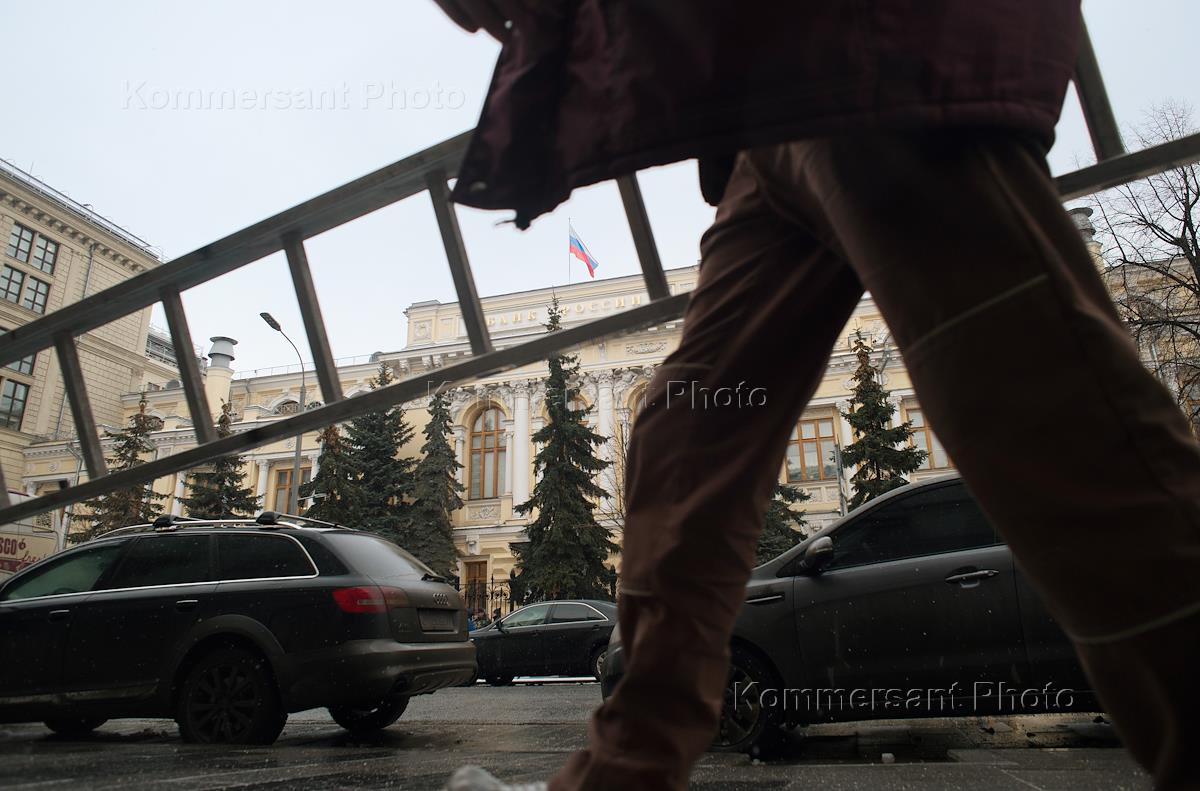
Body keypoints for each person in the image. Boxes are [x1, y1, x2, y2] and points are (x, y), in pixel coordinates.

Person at [432, 2, 1200, 790]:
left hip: (868, 50)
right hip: (772, 112)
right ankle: (623, 771)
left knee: (1039, 396)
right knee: (684, 433)